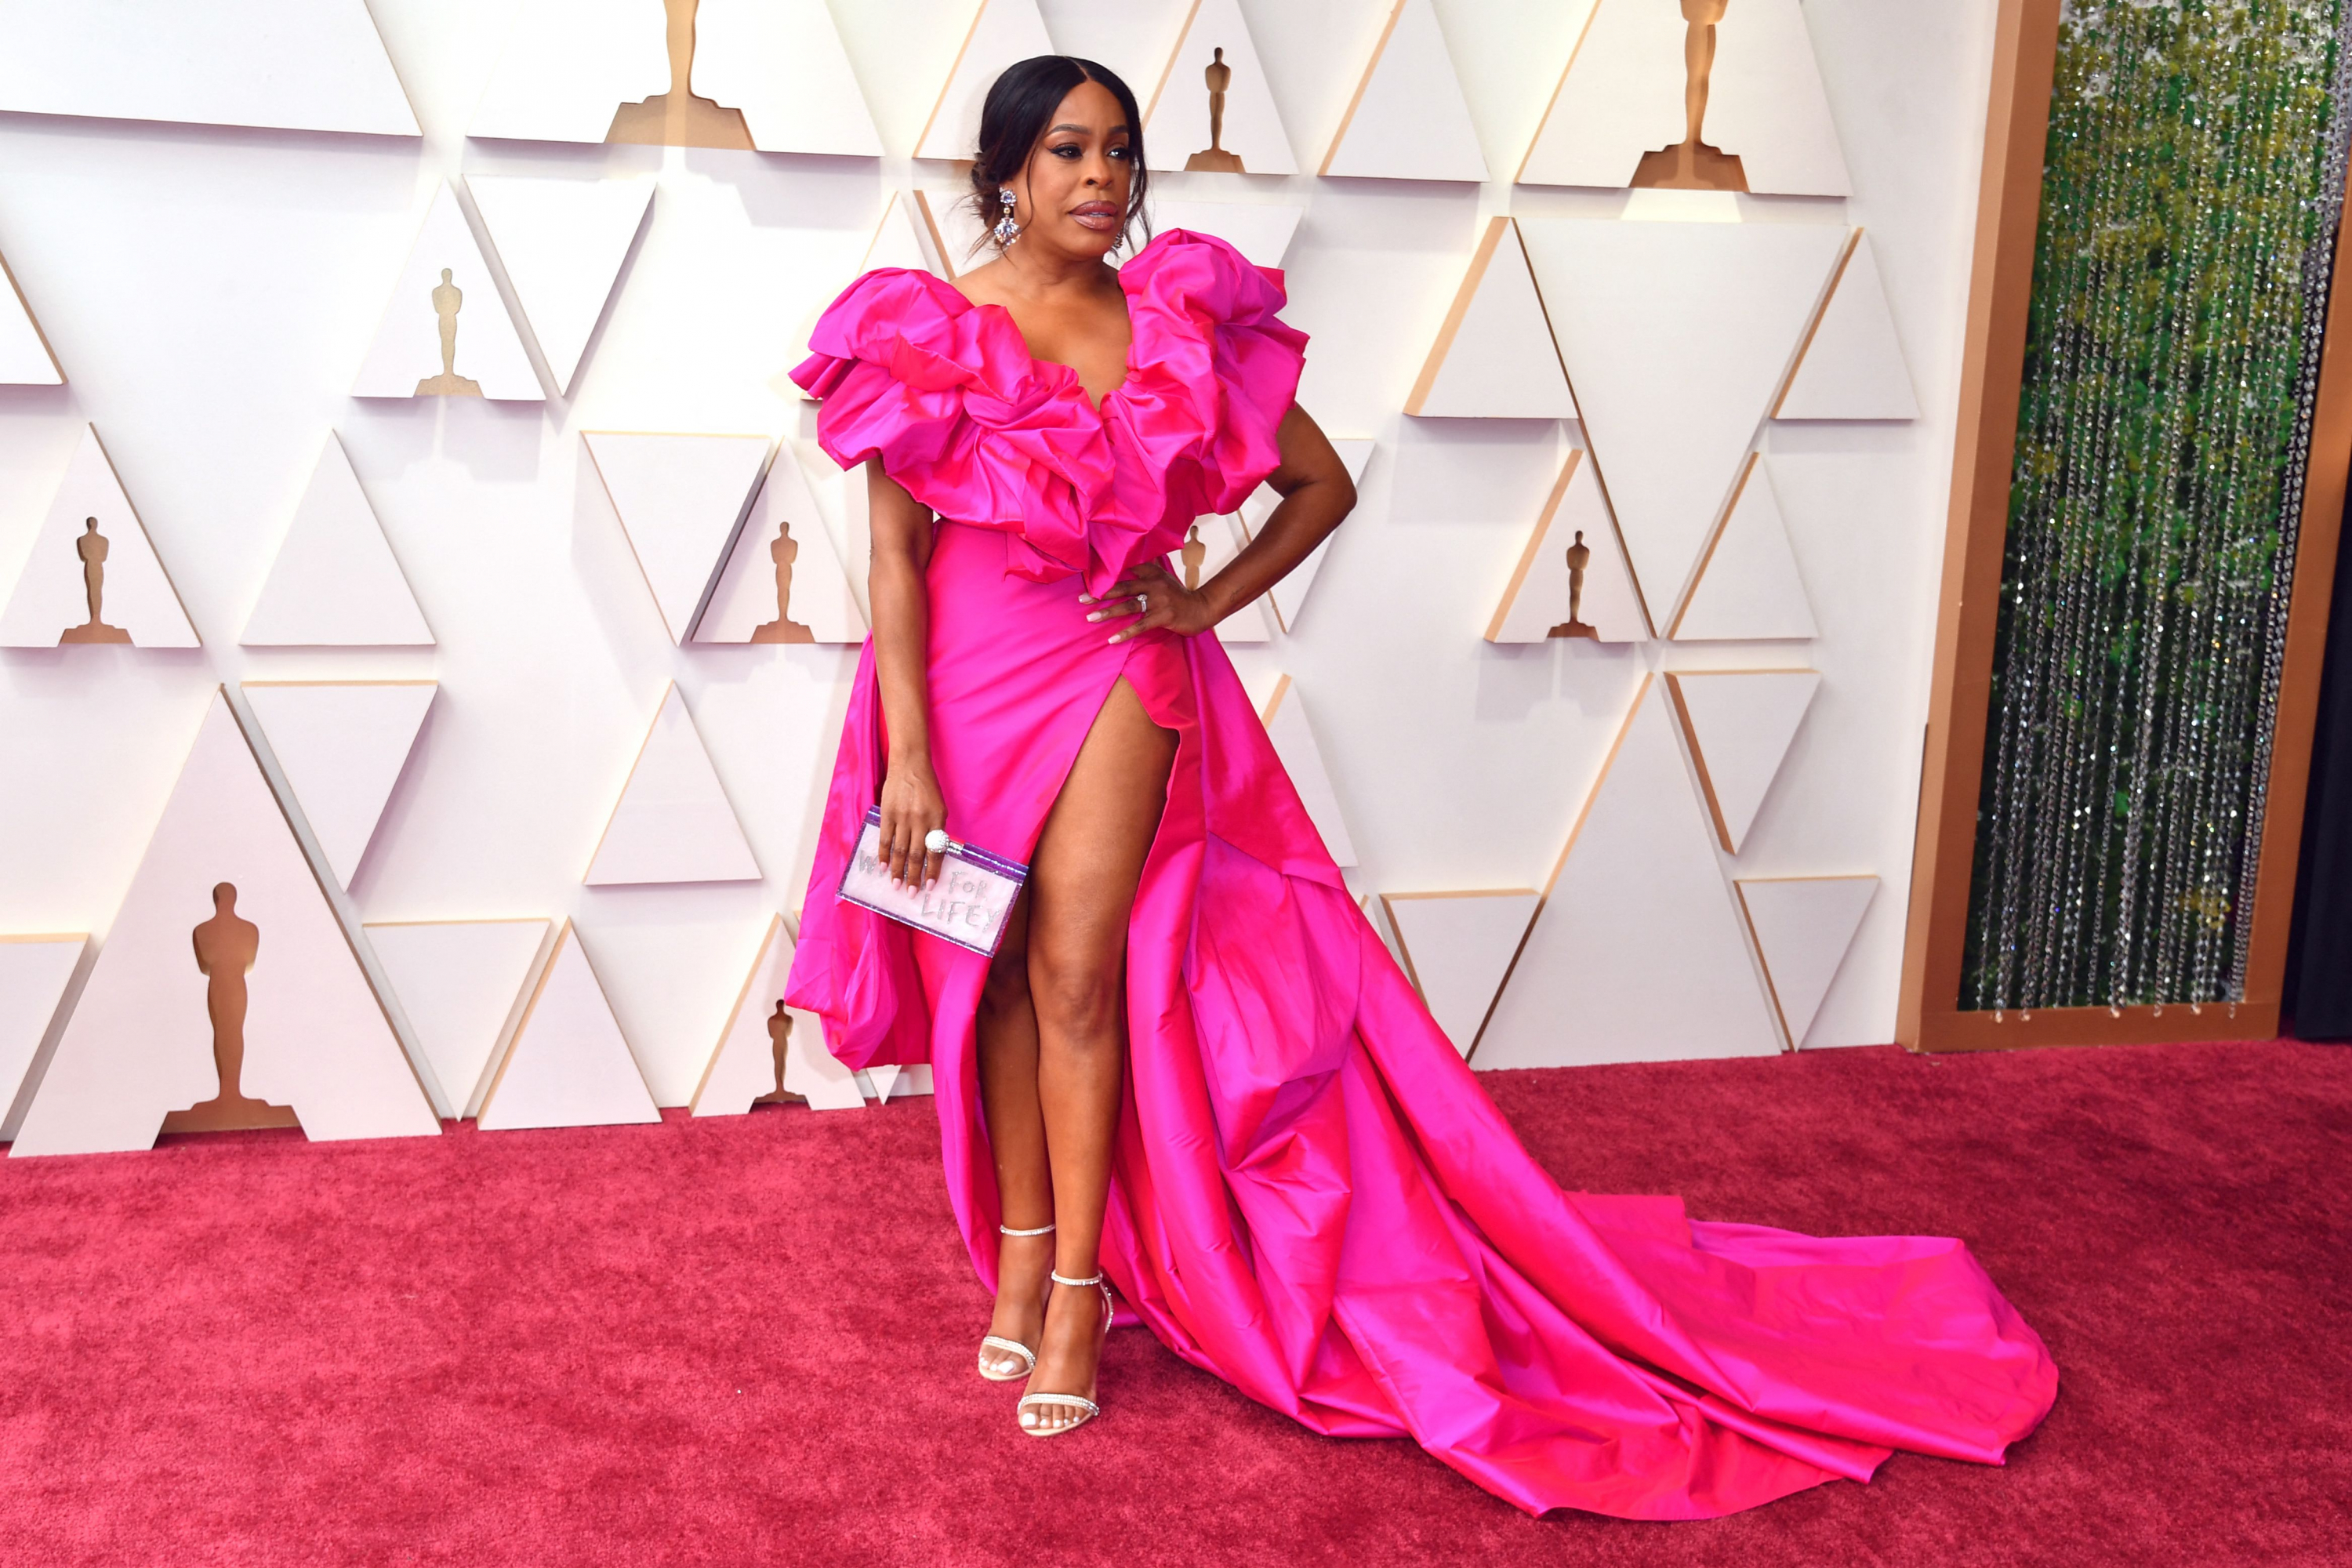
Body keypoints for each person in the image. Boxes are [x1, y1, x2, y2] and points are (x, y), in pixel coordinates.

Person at [786, 54, 2056, 1517]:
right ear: (1005, 169)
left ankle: (1077, 1289)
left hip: (1116, 672)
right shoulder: (922, 331)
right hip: (962, 685)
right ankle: (1016, 1245)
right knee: (992, 976)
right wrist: (913, 759)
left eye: (1121, 154)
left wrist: (1202, 609)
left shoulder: (1172, 320)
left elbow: (1316, 485)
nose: (1100, 180)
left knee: (1076, 978)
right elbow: (892, 562)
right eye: (1068, 151)